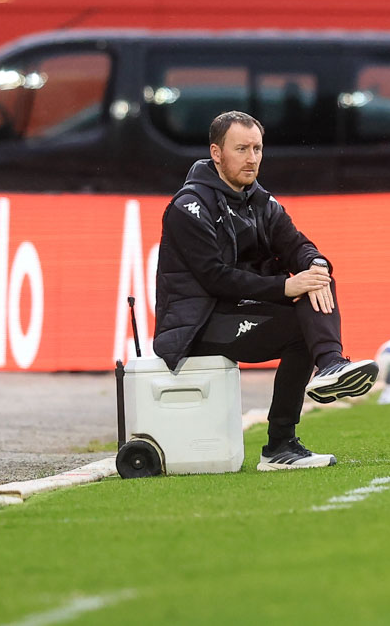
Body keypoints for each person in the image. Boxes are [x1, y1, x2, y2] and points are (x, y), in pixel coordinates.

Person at [152, 111, 378, 471]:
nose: (252, 158)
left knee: (319, 278)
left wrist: (316, 267)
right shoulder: (188, 207)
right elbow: (216, 278)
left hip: (239, 310)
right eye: (241, 149)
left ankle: (329, 366)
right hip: (198, 325)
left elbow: (299, 246)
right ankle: (281, 442)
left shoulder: (261, 201)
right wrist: (286, 286)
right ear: (216, 152)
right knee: (300, 319)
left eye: (257, 148)